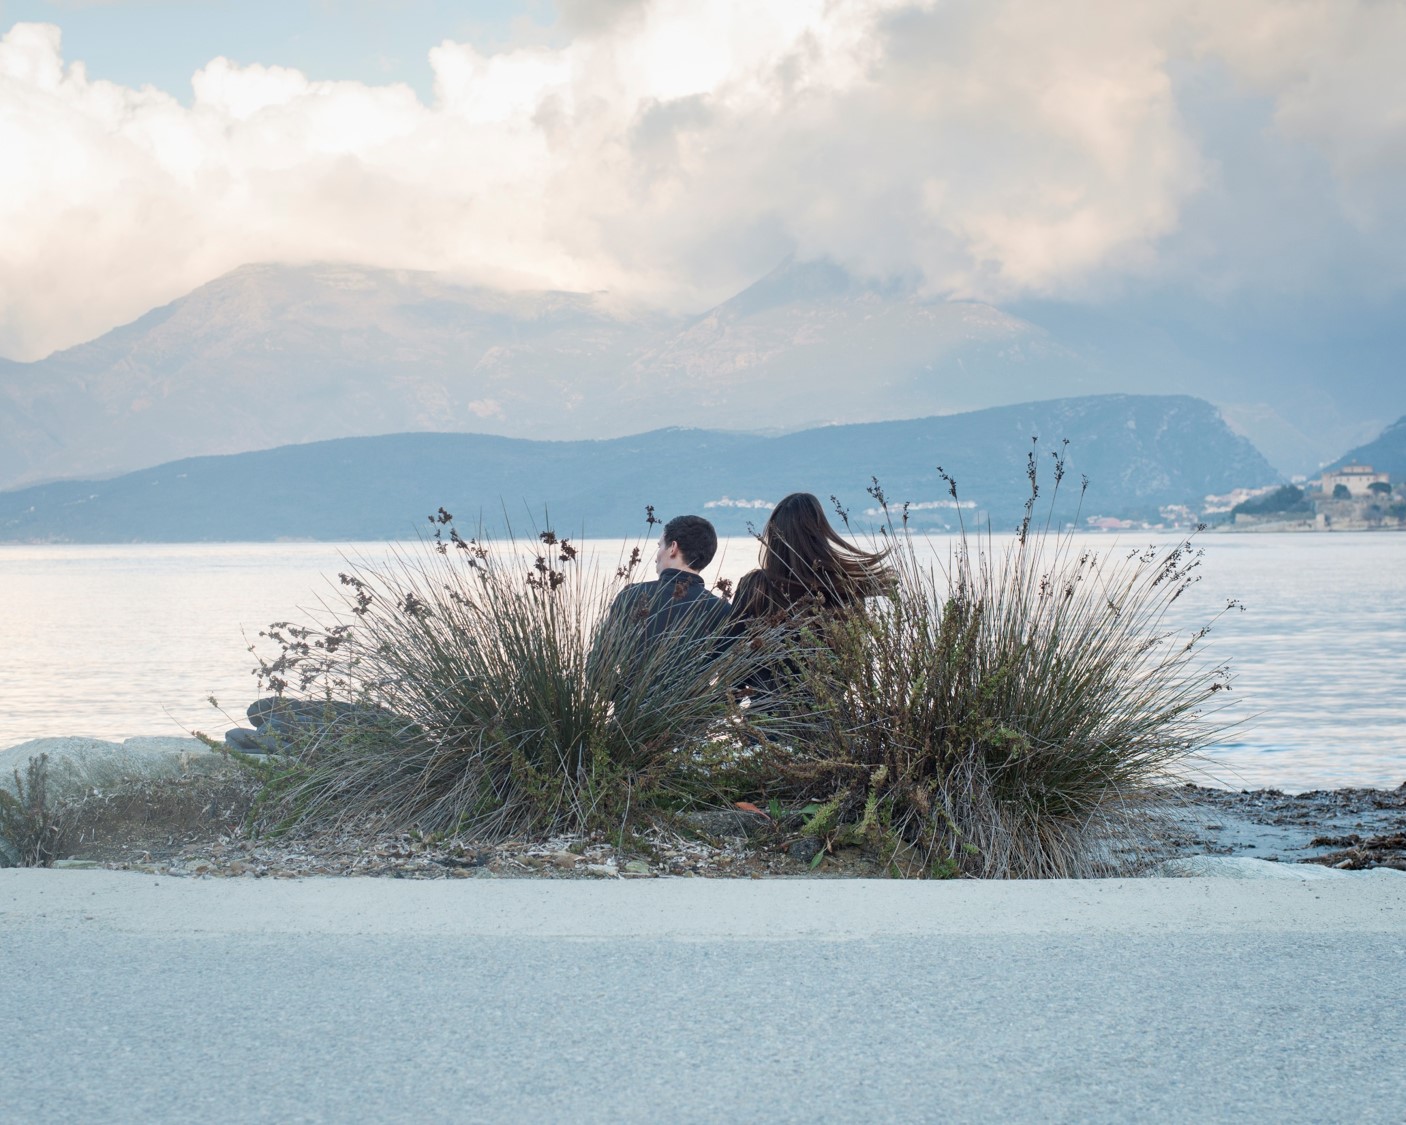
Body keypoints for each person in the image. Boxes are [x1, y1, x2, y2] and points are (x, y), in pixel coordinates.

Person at [729, 492, 893, 696]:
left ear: (774, 535)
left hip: (765, 719)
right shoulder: (845, 588)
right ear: (820, 533)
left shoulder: (756, 586)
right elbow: (852, 663)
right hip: (831, 721)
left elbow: (732, 660)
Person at [592, 514, 732, 685]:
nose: (657, 555)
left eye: (660, 546)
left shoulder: (631, 595)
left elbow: (596, 671)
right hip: (695, 711)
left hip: (631, 710)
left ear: (673, 547)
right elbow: (732, 683)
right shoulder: (722, 610)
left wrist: (626, 699)